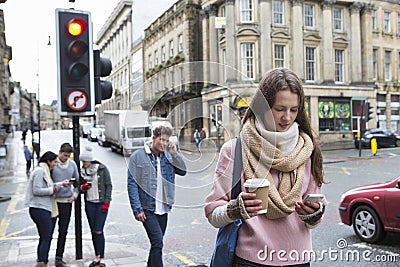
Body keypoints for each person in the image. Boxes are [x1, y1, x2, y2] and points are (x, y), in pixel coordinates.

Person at [204, 68, 327, 266]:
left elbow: (315, 215)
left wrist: (314, 213)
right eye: (279, 109)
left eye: (293, 110)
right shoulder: (234, 150)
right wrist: (235, 209)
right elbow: (212, 212)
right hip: (250, 260)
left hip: (298, 259)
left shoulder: (307, 151)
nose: (287, 117)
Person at [127, 126, 187, 267]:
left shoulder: (168, 155)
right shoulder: (138, 156)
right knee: (158, 242)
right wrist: (137, 209)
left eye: (167, 141)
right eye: (161, 140)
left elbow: (183, 171)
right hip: (147, 208)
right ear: (153, 138)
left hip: (164, 208)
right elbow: (132, 184)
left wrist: (174, 154)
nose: (164, 143)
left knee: (156, 245)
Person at [25, 151, 71, 267]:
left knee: (44, 236)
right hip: (39, 208)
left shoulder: (44, 170)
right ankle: (42, 262)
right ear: (48, 161)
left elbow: (48, 185)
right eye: (54, 162)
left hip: (42, 208)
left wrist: (60, 184)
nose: (55, 164)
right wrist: (53, 190)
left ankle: (41, 261)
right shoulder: (40, 172)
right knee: (46, 236)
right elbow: (37, 190)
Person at [79, 146, 112, 267]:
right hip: (89, 204)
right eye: (82, 162)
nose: (83, 164)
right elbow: (79, 187)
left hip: (101, 204)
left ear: (90, 161)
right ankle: (97, 257)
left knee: (99, 230)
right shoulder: (82, 171)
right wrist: (83, 188)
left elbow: (109, 185)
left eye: (85, 162)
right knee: (93, 231)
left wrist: (107, 202)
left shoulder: (102, 169)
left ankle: (102, 258)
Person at [51, 143, 80, 267]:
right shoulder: (53, 165)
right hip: (53, 202)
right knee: (49, 231)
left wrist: (75, 195)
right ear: (59, 152)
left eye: (68, 156)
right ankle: (43, 258)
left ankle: (59, 258)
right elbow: (47, 182)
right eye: (64, 155)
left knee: (63, 231)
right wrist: (60, 184)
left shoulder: (72, 165)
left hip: (67, 202)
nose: (66, 158)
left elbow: (77, 183)